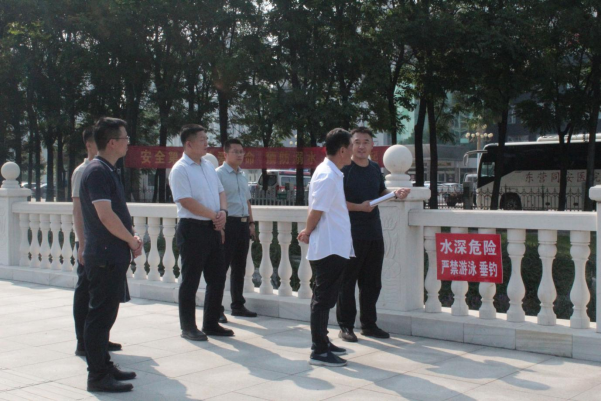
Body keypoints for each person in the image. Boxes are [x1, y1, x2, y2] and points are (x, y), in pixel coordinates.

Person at [79, 117, 142, 393]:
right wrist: (130, 240)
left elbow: (115, 212)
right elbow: (105, 215)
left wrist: (130, 237)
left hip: (111, 254)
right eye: (126, 138)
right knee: (100, 316)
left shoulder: (108, 170)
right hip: (104, 255)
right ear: (113, 142)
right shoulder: (97, 171)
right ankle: (97, 376)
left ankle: (104, 365)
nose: (128, 143)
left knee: (106, 315)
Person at [337, 127, 411, 342]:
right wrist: (359, 207)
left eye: (366, 142)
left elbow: (380, 192)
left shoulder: (374, 168)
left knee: (372, 283)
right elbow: (336, 202)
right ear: (350, 145)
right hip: (351, 234)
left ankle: (369, 325)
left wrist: (395, 194)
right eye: (357, 142)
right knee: (347, 282)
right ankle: (346, 326)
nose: (361, 146)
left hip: (374, 233)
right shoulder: (344, 170)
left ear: (372, 145)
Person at [169, 124, 234, 341]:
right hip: (192, 229)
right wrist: (214, 215)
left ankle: (211, 323)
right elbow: (185, 201)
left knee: (217, 278)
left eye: (207, 138)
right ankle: (188, 326)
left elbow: (221, 192)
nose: (207, 143)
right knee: (191, 280)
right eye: (202, 139)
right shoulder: (180, 169)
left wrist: (222, 212)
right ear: (188, 144)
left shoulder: (208, 166)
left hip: (213, 228)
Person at [298, 128, 355, 368]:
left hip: (335, 245)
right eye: (351, 147)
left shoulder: (331, 173)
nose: (353, 152)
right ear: (342, 150)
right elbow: (317, 210)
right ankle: (319, 351)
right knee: (323, 299)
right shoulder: (327, 175)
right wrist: (307, 231)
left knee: (327, 298)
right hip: (329, 247)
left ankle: (323, 341)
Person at [72, 127, 123, 358]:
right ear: (89, 145)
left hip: (105, 245)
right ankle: (84, 343)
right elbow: (79, 211)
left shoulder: (107, 170)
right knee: (87, 295)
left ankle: (99, 343)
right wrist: (82, 244)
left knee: (103, 302)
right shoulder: (87, 171)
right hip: (92, 244)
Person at [216, 139, 258, 320]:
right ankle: (216, 308)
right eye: (235, 151)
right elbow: (215, 201)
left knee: (239, 268)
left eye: (241, 151)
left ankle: (238, 305)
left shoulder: (242, 174)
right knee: (220, 268)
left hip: (242, 225)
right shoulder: (218, 174)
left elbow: (246, 201)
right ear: (225, 154)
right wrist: (219, 226)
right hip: (228, 224)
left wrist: (251, 223)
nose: (240, 154)